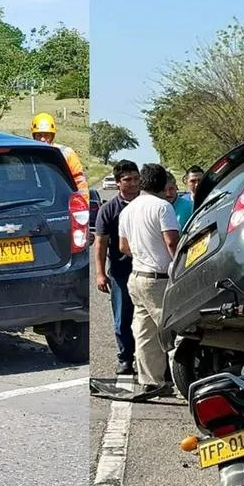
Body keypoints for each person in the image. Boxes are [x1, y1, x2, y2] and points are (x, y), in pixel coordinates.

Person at [118, 163, 180, 396]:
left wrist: (144, 252)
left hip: (137, 277)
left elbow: (124, 246)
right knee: (173, 330)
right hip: (159, 279)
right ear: (163, 184)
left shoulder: (128, 210)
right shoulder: (163, 207)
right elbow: (172, 241)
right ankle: (183, 382)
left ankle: (151, 382)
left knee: (145, 333)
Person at [94, 160, 140, 375]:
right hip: (121, 273)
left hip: (147, 270)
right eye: (127, 179)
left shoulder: (146, 204)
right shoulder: (108, 209)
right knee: (123, 318)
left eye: (136, 179)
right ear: (118, 182)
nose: (132, 184)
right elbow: (100, 243)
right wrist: (100, 273)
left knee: (146, 318)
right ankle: (125, 358)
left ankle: (147, 359)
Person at [31, 112, 89, 202]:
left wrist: (82, 206)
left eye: (46, 135)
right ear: (34, 136)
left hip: (64, 201)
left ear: (52, 136)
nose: (42, 139)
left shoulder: (66, 153)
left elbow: (80, 182)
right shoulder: (28, 154)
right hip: (38, 201)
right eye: (39, 135)